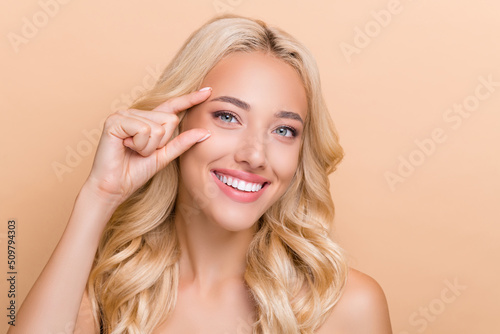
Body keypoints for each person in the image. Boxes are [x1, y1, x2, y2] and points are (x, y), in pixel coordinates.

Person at [9, 14, 392, 334]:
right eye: (228, 116)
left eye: (284, 130)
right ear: (175, 124)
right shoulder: (107, 300)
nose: (255, 155)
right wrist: (100, 195)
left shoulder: (348, 308)